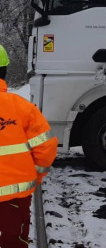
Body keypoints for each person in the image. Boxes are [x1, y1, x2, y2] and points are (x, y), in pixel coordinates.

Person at [0, 44, 57, 247]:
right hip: (15, 197)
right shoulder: (23, 108)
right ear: (4, 71)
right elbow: (46, 147)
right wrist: (36, 175)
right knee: (13, 242)